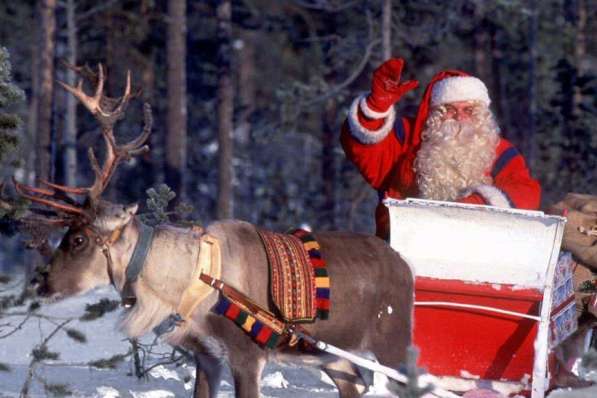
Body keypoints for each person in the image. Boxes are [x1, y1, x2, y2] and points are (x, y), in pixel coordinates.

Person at [340, 58, 541, 240]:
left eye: (468, 110)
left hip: (478, 245)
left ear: (481, 115)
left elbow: (526, 192)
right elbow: (364, 151)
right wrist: (375, 109)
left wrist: (477, 204)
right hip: (404, 244)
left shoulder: (500, 151)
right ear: (435, 114)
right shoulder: (409, 138)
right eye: (450, 110)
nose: (459, 117)